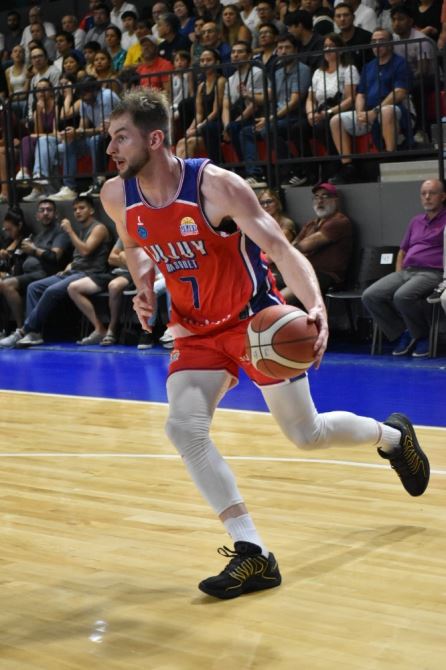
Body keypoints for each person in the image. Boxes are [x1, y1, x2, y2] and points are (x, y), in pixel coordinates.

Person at [100, 88, 430, 600]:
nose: (110, 149)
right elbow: (133, 243)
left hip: (253, 323)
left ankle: (392, 437)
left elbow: (278, 246)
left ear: (155, 138)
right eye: (110, 138)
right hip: (194, 331)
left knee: (306, 434)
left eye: (121, 137)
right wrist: (144, 285)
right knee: (184, 428)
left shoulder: (216, 186)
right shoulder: (117, 194)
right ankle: (252, 550)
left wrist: (315, 305)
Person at [8, 195, 111, 348]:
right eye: (75, 209)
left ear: (92, 210)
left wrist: (70, 231)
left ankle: (24, 330)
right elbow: (78, 257)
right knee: (34, 287)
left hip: (90, 274)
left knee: (51, 290)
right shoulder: (81, 230)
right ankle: (34, 333)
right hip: (74, 271)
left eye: (82, 208)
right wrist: (68, 267)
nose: (77, 212)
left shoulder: (98, 228)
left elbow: (86, 251)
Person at [362, 178, 446, 359]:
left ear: (443, 196)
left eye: (432, 193)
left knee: (402, 296)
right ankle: (404, 332)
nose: (427, 197)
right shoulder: (416, 221)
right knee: (370, 295)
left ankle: (422, 336)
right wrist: (399, 272)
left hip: (433, 272)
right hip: (407, 270)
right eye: (423, 194)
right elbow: (402, 251)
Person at [329, 28, 413, 184]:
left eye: (381, 41)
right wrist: (360, 113)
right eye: (374, 41)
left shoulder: (400, 63)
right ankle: (348, 166)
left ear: (390, 44)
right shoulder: (368, 67)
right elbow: (360, 94)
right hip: (368, 112)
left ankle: (390, 158)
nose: (377, 45)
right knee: (336, 120)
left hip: (394, 110)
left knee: (386, 111)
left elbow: (399, 92)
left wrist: (375, 111)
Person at [0, 200, 71, 347]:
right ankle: (9, 329)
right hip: (28, 273)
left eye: (49, 210)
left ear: (56, 214)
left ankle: (21, 329)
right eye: (42, 210)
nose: (45, 213)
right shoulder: (38, 235)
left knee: (7, 285)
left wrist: (33, 250)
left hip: (46, 273)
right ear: (37, 216)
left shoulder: (60, 233)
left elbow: (55, 258)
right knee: (3, 282)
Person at [51, 77, 120, 201]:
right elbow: (83, 128)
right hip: (100, 137)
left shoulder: (106, 96)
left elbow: (107, 129)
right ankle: (69, 188)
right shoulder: (84, 102)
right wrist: (73, 133)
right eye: (81, 94)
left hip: (116, 136)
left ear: (94, 90)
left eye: (85, 93)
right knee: (70, 143)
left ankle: (98, 183)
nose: (83, 97)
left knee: (95, 140)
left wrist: (80, 132)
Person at [284, 182, 353, 298]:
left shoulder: (339, 221)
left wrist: (295, 250)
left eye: (325, 196)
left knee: (286, 292)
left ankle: (274, 306)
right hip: (305, 270)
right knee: (268, 279)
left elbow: (302, 247)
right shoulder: (311, 223)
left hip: (327, 275)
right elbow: (294, 246)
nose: (320, 201)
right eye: (316, 197)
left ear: (335, 200)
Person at [175, 47, 226, 161]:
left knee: (191, 143)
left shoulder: (220, 81)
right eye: (202, 60)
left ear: (217, 62)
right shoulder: (201, 86)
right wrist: (190, 129)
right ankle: (180, 172)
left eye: (209, 60)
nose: (205, 63)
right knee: (181, 142)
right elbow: (199, 114)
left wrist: (199, 127)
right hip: (203, 126)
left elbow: (216, 111)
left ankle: (186, 172)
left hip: (216, 126)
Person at [334, 3, 372, 73]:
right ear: (334, 19)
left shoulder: (367, 37)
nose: (342, 19)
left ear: (353, 17)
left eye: (346, 15)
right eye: (338, 16)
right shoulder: (335, 41)